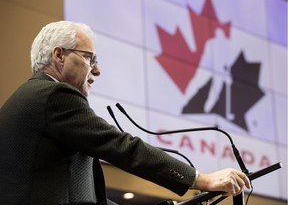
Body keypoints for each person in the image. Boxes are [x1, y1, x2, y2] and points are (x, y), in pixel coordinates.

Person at [0, 21, 250, 205]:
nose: (96, 71)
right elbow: (121, 146)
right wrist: (201, 179)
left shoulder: (34, 100)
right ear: (59, 56)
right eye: (90, 58)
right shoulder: (54, 96)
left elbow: (85, 198)